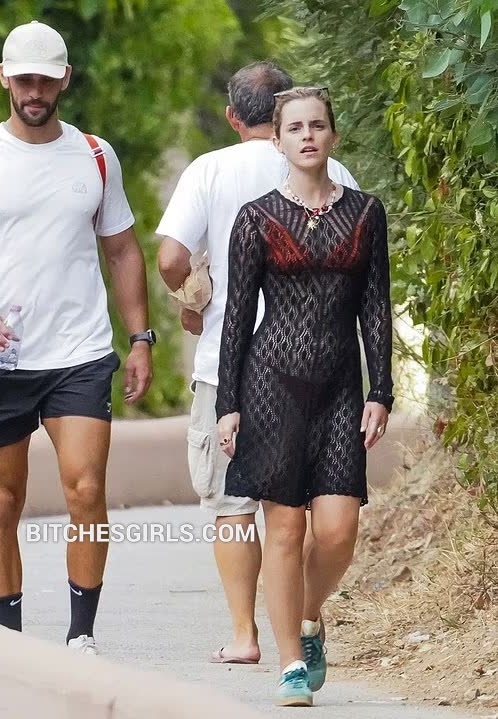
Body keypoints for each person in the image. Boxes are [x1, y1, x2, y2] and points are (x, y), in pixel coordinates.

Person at [0, 20, 155, 656]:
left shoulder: (95, 156)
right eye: (24, 79)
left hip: (78, 351)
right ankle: (10, 644)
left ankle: (81, 635)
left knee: (86, 488)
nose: (35, 91)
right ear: (4, 77)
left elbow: (122, 250)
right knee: (1, 500)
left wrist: (140, 337)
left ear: (64, 80)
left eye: (46, 80)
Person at [157, 62, 358, 675]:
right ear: (282, 114)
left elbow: (169, 257)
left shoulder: (209, 169)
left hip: (229, 366)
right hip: (319, 369)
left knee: (233, 506)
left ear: (232, 116)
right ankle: (303, 616)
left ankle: (246, 634)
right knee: (301, 511)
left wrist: (193, 301)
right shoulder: (334, 172)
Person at [215, 86, 394, 706]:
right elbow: (238, 316)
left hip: (341, 388)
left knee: (339, 530)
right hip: (271, 385)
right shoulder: (256, 217)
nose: (308, 136)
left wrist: (381, 390)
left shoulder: (366, 213)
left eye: (317, 125)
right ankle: (292, 662)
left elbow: (376, 308)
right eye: (295, 128)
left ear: (333, 135)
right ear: (278, 140)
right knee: (286, 529)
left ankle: (309, 615)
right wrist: (228, 405)